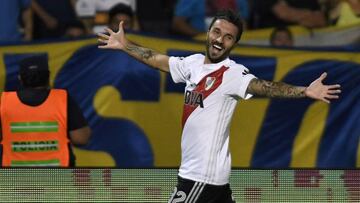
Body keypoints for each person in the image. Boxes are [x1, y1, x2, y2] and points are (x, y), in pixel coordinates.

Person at [97, 10, 341, 202]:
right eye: (217, 32)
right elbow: (157, 59)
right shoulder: (192, 64)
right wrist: (125, 45)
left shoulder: (232, 73)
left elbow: (265, 87)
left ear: (233, 43)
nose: (219, 40)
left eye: (228, 37)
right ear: (208, 32)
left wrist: (304, 91)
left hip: (201, 177)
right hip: (212, 179)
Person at [0, 55, 91, 167]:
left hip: (16, 180)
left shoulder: (4, 102)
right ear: (48, 76)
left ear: (20, 78)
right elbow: (81, 138)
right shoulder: (62, 99)